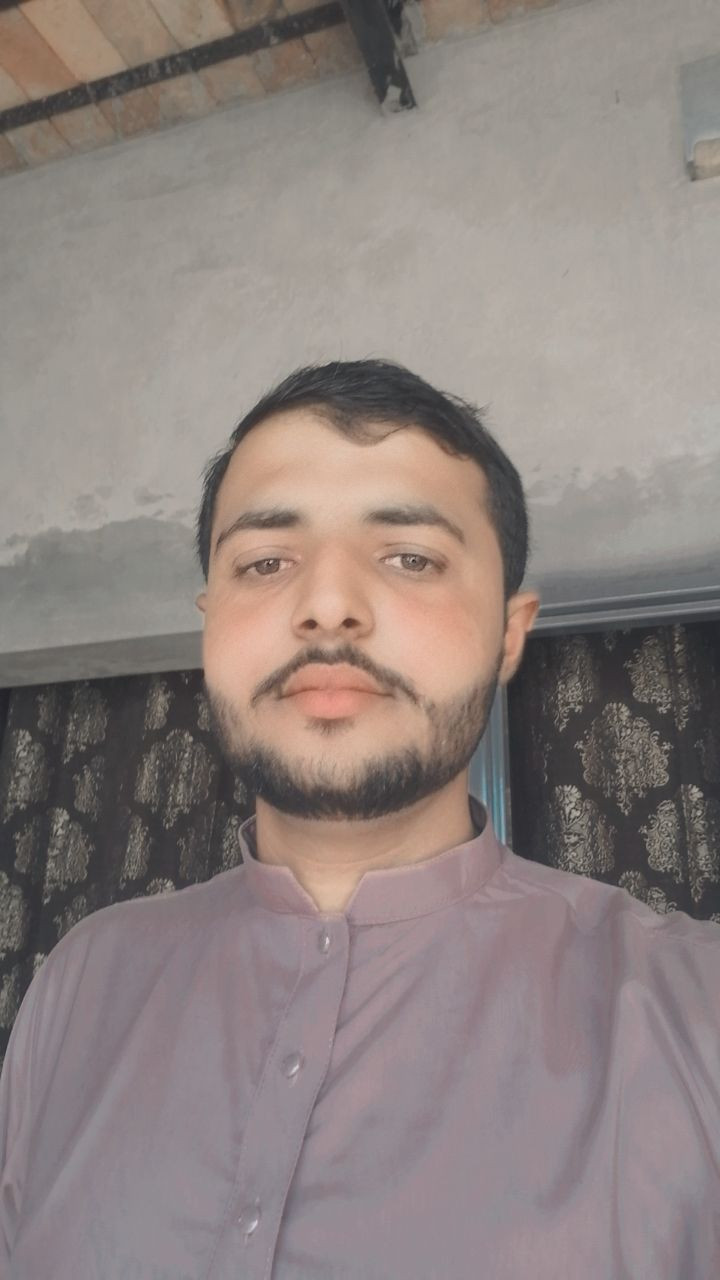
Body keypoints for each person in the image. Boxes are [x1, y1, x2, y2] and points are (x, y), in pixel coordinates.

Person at [0, 359, 718, 1278]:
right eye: (265, 563)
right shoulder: (82, 981)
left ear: (510, 633)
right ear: (209, 623)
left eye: (410, 557)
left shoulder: (691, 1011)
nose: (328, 607)